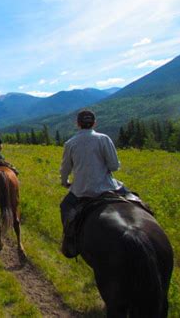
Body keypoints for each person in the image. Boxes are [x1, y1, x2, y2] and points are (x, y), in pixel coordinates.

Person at [60, 110, 127, 257]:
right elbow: (114, 166)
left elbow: (65, 168)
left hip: (81, 190)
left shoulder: (70, 143)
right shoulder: (104, 139)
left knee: (65, 205)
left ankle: (70, 240)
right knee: (132, 198)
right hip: (108, 187)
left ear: (77, 124)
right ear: (94, 123)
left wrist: (65, 182)